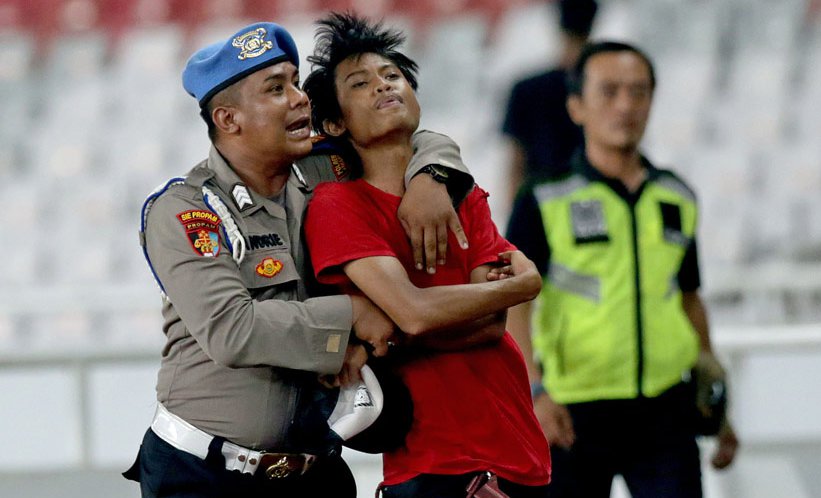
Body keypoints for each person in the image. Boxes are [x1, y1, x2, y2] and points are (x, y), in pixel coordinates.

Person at [124, 21, 476, 498]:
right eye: (276, 89)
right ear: (229, 120)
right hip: (202, 474)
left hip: (313, 473)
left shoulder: (323, 167)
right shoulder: (186, 210)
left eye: (294, 81)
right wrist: (353, 317)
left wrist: (431, 177)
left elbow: (408, 134)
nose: (299, 98)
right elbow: (233, 329)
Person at [302, 13, 551, 498]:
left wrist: (403, 328)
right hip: (431, 455)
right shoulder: (338, 204)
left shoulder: (463, 192)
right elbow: (415, 315)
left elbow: (492, 323)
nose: (382, 86)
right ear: (335, 122)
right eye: (360, 83)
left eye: (392, 75)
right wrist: (517, 287)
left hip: (520, 447)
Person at [504, 41, 740, 498]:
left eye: (638, 92)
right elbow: (515, 305)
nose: (625, 106)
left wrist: (716, 394)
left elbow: (689, 297)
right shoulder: (543, 198)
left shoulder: (677, 197)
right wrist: (535, 393)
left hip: (665, 412)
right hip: (572, 412)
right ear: (577, 106)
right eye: (609, 92)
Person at [501, 0, 598, 200]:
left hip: (539, 203)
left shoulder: (526, 89)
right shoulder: (602, 91)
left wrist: (514, 215)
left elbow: (515, 162)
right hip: (592, 203)